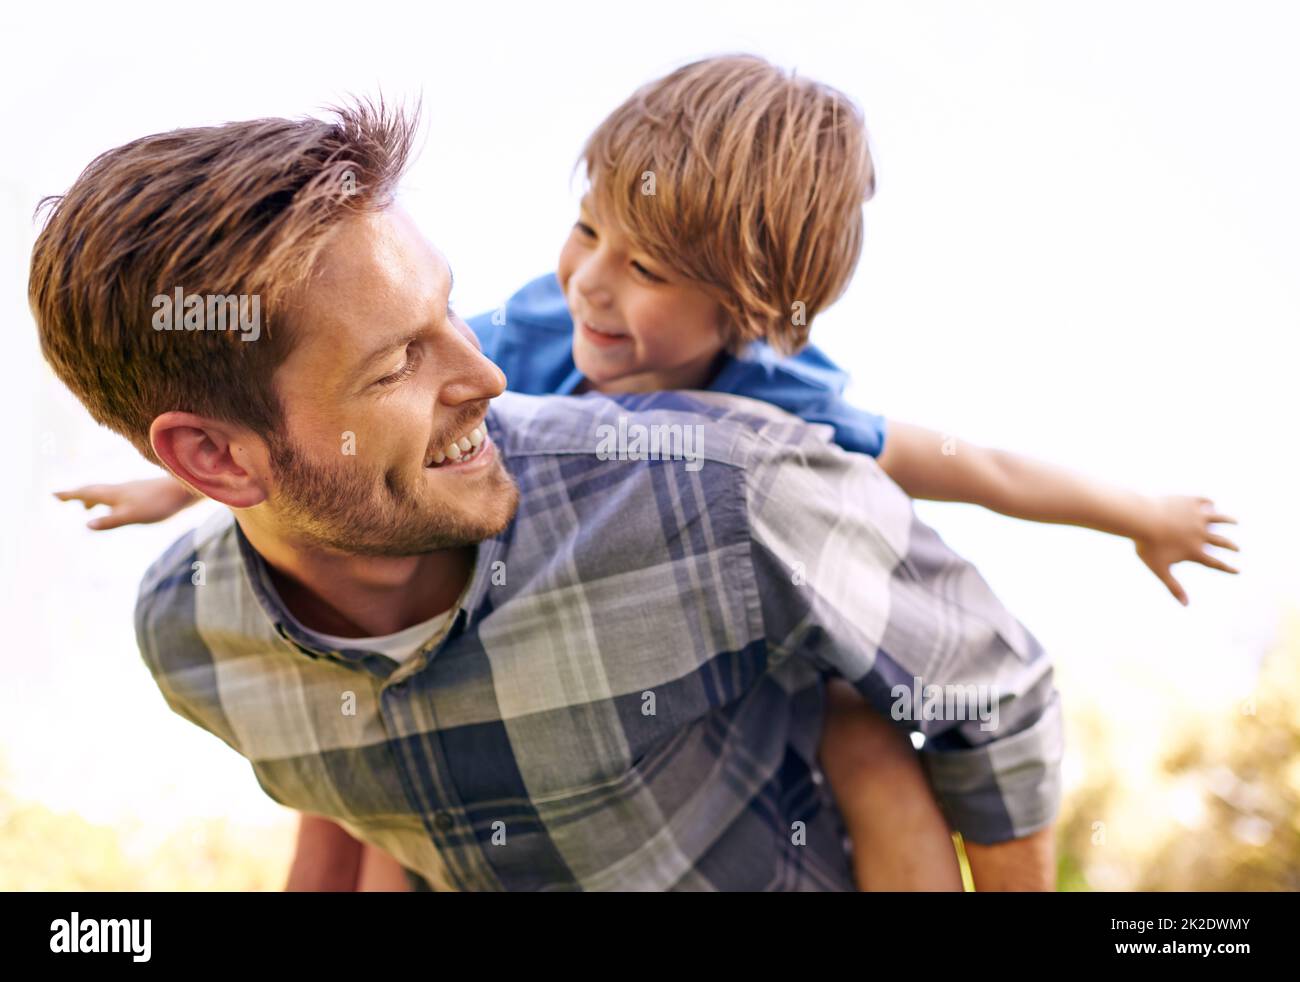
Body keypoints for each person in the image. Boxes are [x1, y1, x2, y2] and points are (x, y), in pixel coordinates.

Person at [34, 99, 1065, 891]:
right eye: (397, 363)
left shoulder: (729, 489)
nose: (487, 377)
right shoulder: (190, 642)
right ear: (213, 461)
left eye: (448, 310)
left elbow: (992, 696)